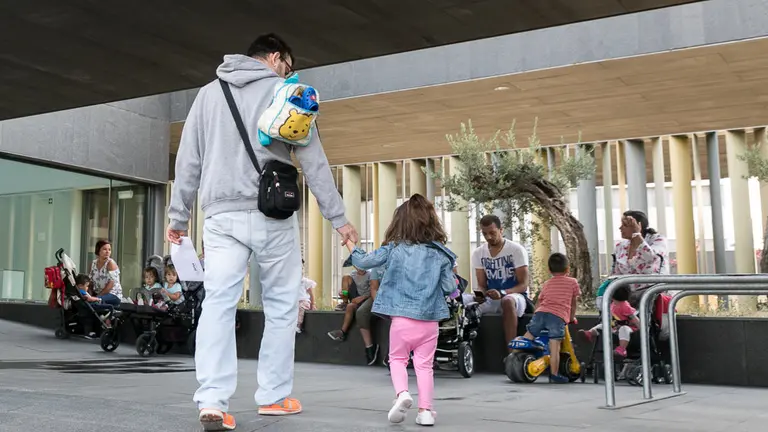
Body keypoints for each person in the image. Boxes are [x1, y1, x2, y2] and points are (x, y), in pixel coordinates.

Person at [166, 33, 358, 430]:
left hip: (220, 216)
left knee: (217, 303)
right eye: (288, 65)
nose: (290, 73)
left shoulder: (207, 94)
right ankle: (272, 396)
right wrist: (338, 219)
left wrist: (178, 216)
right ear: (275, 57)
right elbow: (313, 160)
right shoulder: (286, 91)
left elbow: (189, 160)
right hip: (272, 212)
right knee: (283, 304)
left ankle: (213, 400)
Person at [345, 194, 458, 427]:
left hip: (401, 320)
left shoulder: (393, 249)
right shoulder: (440, 254)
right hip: (429, 321)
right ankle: (426, 411)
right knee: (425, 365)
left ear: (400, 222)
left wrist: (349, 243)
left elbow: (364, 262)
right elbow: (450, 287)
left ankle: (402, 395)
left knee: (397, 359)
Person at [467, 215, 530, 351]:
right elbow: (482, 285)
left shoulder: (516, 250)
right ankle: (464, 349)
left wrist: (502, 293)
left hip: (515, 296)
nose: (488, 237)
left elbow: (523, 285)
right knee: (464, 301)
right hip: (491, 297)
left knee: (507, 301)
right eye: (484, 234)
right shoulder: (478, 253)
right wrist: (480, 294)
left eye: (492, 233)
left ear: (501, 230)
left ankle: (511, 352)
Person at [516, 252, 580, 383]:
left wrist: (536, 315)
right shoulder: (572, 282)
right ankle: (554, 374)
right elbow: (573, 303)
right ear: (568, 269)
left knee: (529, 336)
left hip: (540, 313)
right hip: (557, 316)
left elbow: (539, 302)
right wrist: (571, 317)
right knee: (554, 346)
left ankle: (515, 355)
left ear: (549, 270)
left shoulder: (547, 283)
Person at [598, 210, 668, 309]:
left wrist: (637, 234)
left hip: (650, 291)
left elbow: (650, 257)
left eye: (625, 225)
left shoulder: (657, 240)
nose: (620, 228)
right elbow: (616, 273)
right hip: (625, 294)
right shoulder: (620, 246)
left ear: (638, 226)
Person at [327, 259, 379, 365]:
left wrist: (363, 297)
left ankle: (370, 347)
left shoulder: (370, 275)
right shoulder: (353, 275)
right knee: (350, 306)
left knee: (360, 312)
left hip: (366, 298)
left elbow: (373, 289)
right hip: (355, 299)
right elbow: (348, 289)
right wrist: (344, 294)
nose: (360, 269)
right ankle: (342, 331)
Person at [580, 285, 639, 358]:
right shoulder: (612, 304)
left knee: (624, 329)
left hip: (628, 328)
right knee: (602, 326)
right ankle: (589, 333)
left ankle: (622, 349)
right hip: (615, 327)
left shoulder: (625, 306)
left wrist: (641, 328)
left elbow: (634, 318)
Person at [89, 240, 123, 306]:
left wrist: (96, 297)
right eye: (105, 249)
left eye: (109, 250)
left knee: (94, 303)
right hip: (98, 294)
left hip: (113, 294)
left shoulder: (110, 263)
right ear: (98, 250)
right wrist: (89, 295)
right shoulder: (93, 264)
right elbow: (90, 282)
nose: (107, 252)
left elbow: (110, 284)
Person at [297, 260, 316, 334]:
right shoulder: (291, 282)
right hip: (295, 301)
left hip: (304, 301)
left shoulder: (305, 282)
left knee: (300, 308)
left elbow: (311, 294)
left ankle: (298, 325)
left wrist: (312, 304)